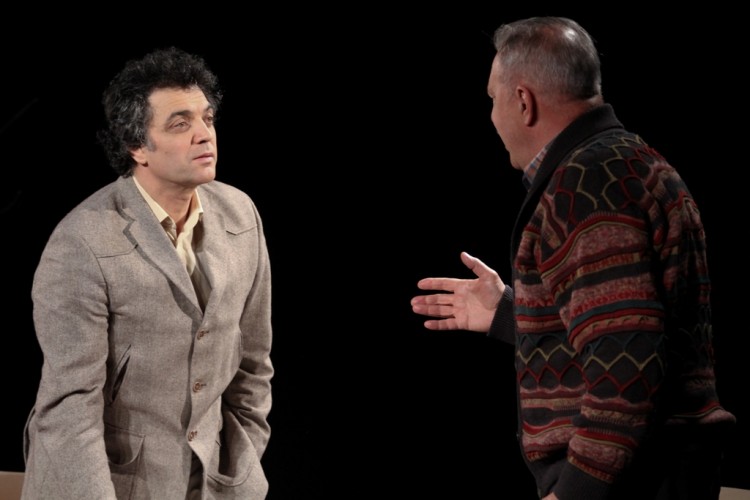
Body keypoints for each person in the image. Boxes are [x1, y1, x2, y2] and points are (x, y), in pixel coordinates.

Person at [410, 16, 736, 500]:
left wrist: (573, 492)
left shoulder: (588, 183)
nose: (492, 115)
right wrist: (512, 314)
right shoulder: (632, 161)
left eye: (493, 99)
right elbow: (628, 324)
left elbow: (627, 369)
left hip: (636, 487)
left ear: (523, 101)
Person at [21, 47, 273, 499]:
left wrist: (243, 462)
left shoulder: (241, 214)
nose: (204, 135)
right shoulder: (81, 243)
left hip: (215, 481)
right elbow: (70, 408)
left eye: (207, 119)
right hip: (112, 484)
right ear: (137, 147)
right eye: (180, 124)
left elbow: (254, 363)